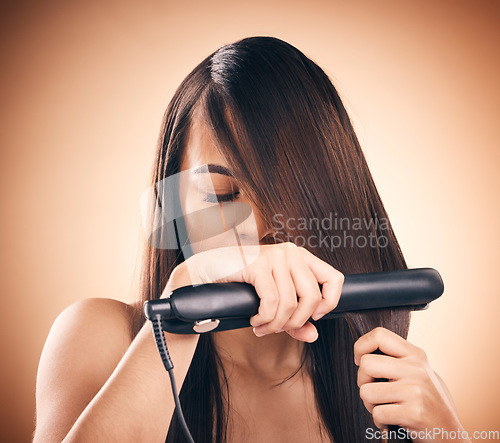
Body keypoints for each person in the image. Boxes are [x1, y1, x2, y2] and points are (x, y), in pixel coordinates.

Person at [34, 36, 470, 442]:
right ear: (173, 206)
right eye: (220, 195)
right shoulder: (101, 337)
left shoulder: (388, 386)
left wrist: (450, 434)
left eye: (286, 194)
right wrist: (181, 316)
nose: (262, 232)